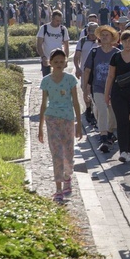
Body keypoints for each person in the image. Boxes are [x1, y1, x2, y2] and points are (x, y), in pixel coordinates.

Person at [38, 48, 82, 203]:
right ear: (50, 63)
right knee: (57, 154)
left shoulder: (70, 79)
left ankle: (67, 178)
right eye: (55, 62)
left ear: (65, 63)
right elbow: (43, 105)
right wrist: (40, 128)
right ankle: (58, 189)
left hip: (68, 119)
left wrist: (79, 124)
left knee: (68, 153)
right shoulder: (46, 81)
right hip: (52, 120)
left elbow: (76, 102)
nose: (58, 64)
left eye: (61, 62)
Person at [104, 30, 130, 163]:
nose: (127, 43)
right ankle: (123, 151)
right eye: (125, 40)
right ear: (120, 42)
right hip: (118, 93)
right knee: (122, 122)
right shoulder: (115, 57)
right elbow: (110, 76)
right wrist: (107, 94)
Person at [83, 25, 120, 153]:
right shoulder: (94, 52)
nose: (104, 37)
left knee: (113, 114)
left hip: (113, 89)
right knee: (102, 110)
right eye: (102, 35)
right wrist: (85, 90)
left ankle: (109, 134)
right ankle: (103, 137)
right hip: (98, 87)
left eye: (107, 35)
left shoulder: (117, 53)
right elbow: (87, 70)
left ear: (112, 38)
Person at [36, 10, 70, 77]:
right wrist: (43, 57)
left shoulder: (63, 29)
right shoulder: (44, 28)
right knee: (47, 82)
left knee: (58, 80)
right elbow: (39, 44)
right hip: (47, 60)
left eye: (60, 21)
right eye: (57, 21)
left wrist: (66, 59)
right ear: (52, 18)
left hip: (59, 60)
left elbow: (66, 46)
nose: (59, 23)